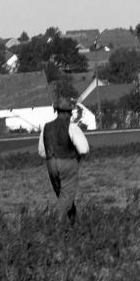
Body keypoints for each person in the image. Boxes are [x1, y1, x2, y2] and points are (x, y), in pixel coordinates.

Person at [38, 94, 89, 226]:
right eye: (70, 112)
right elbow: (84, 149)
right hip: (68, 163)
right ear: (69, 113)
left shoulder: (46, 127)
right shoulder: (71, 127)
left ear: (57, 111)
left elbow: (41, 152)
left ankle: (75, 223)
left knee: (63, 195)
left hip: (51, 164)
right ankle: (57, 226)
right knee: (67, 195)